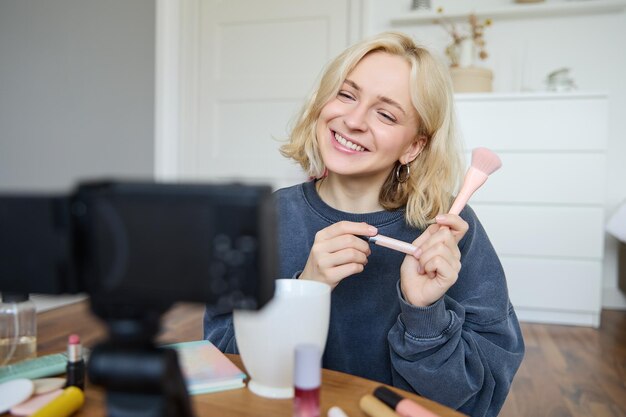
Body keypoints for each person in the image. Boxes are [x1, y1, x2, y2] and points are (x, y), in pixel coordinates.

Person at [204, 31, 524, 417]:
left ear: (414, 146)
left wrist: (425, 313)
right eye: (346, 95)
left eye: (386, 114)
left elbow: (477, 399)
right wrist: (306, 288)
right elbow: (223, 360)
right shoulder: (261, 219)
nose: (353, 120)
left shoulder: (449, 234)